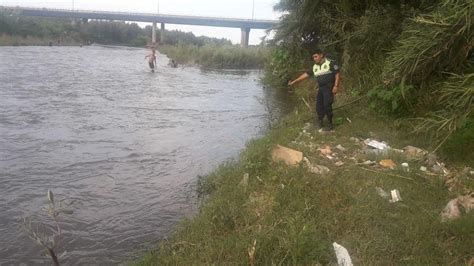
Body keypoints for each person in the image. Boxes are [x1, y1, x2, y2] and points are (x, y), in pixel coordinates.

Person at [288, 49, 341, 131]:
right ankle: (320, 122)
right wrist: (295, 81)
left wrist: (336, 86)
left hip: (329, 88)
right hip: (321, 88)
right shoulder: (315, 67)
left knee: (327, 105)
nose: (314, 58)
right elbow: (306, 75)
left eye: (316, 56)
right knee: (319, 107)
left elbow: (337, 74)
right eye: (313, 57)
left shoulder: (330, 63)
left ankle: (330, 124)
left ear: (321, 55)